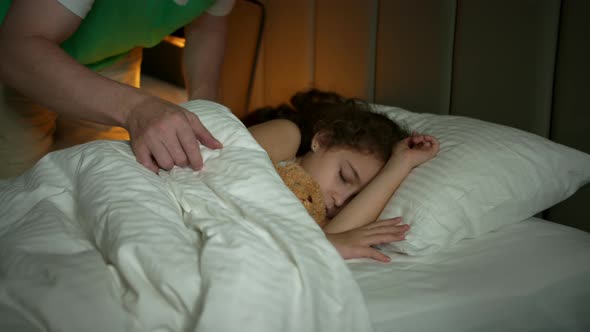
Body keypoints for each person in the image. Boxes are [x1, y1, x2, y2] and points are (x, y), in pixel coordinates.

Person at [0, 0, 236, 178]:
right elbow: (15, 50)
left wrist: (205, 107)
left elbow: (207, 27)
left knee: (103, 173)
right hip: (22, 56)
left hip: (113, 55)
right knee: (16, 182)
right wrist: (136, 108)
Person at [246, 89, 440, 262]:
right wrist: (322, 243)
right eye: (344, 177)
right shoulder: (286, 136)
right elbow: (227, 171)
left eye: (355, 199)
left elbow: (332, 239)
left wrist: (401, 162)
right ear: (323, 139)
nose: (340, 201)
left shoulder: (323, 223)